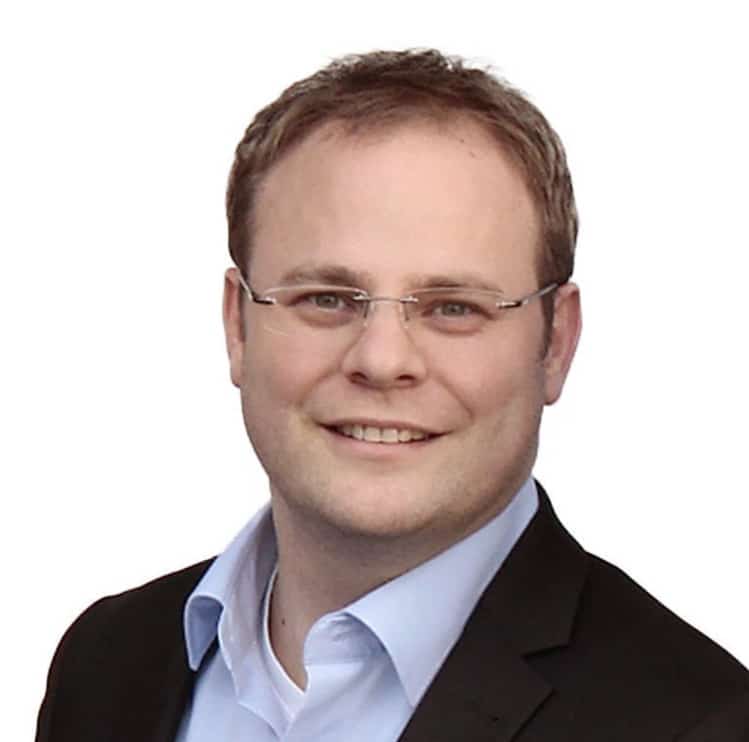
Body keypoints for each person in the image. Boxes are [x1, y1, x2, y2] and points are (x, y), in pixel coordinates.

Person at [36, 48, 749, 742]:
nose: (381, 361)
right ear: (237, 325)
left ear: (555, 342)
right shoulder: (106, 663)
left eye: (453, 308)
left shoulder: (702, 723)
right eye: (325, 298)